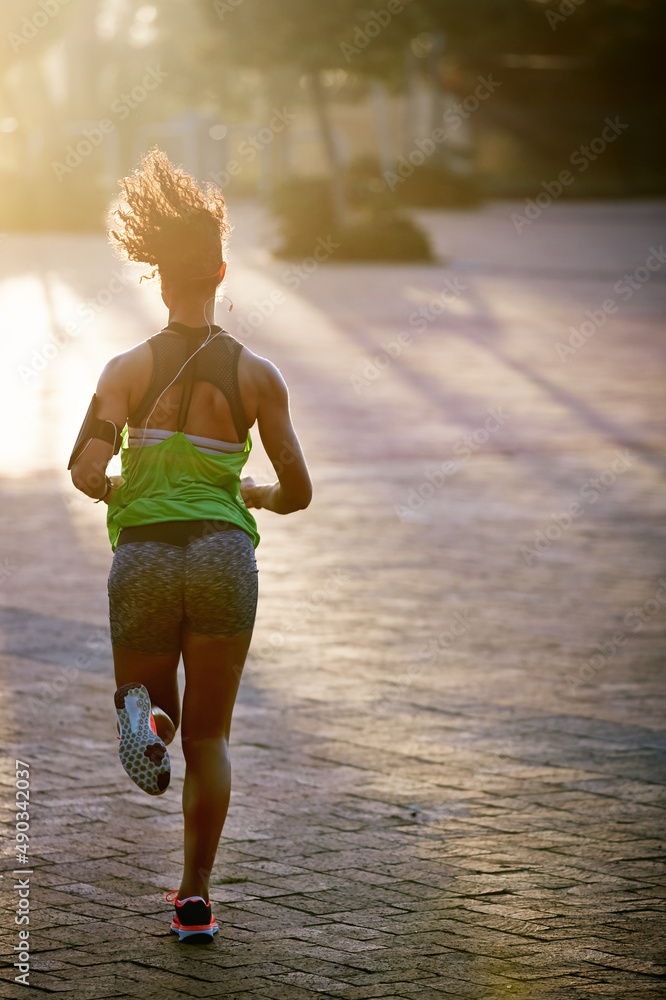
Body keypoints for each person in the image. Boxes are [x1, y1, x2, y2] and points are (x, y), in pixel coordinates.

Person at [69, 147, 312, 943]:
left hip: (141, 554)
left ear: (157, 276)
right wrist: (255, 495)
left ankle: (148, 733)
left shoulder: (125, 369)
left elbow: (83, 467)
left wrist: (119, 489)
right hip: (221, 556)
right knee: (213, 736)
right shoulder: (258, 377)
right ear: (220, 269)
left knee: (157, 708)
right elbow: (298, 489)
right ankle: (195, 899)